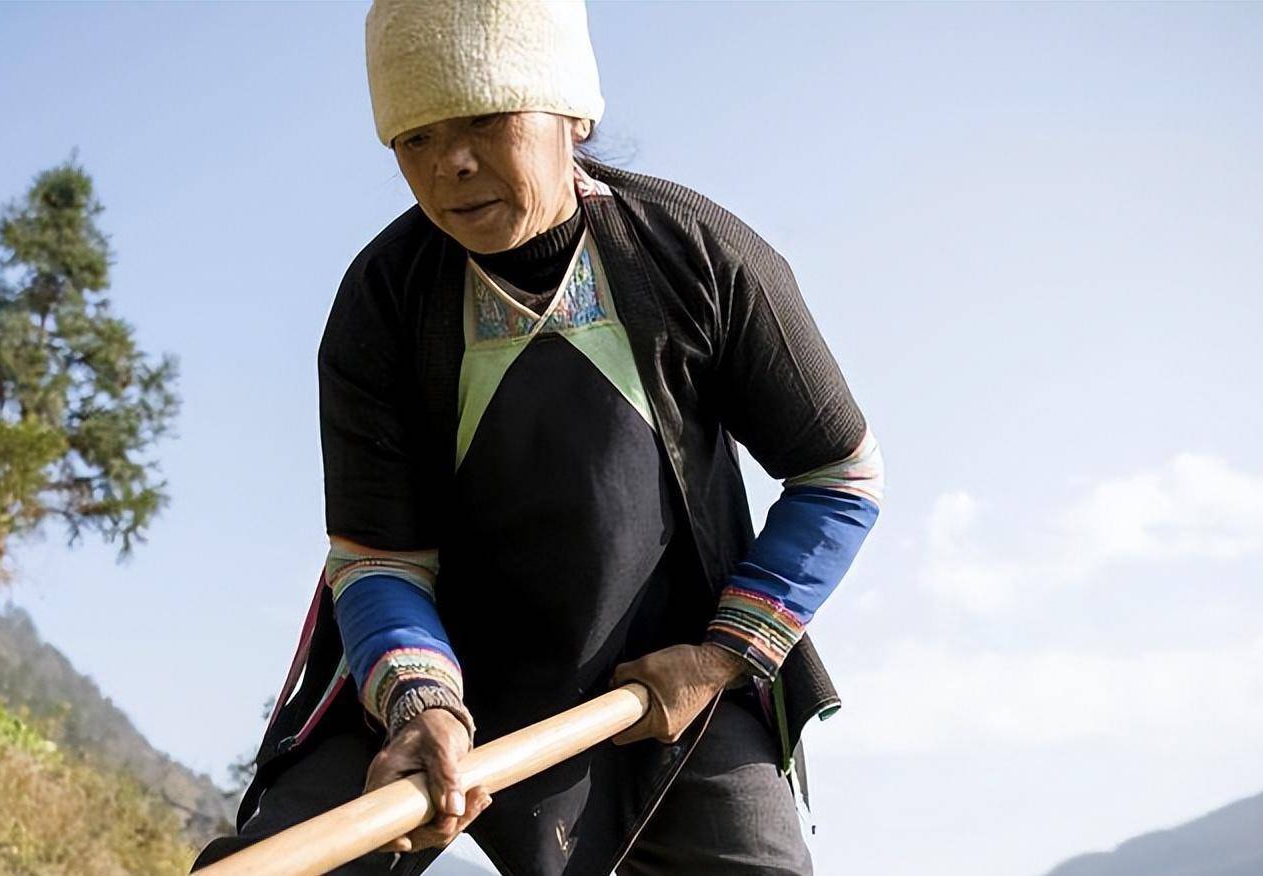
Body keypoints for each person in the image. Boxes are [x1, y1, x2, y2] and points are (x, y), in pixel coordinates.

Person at [192, 1, 885, 874]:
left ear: (572, 113)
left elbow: (839, 476)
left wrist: (719, 658)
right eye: (416, 138)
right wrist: (421, 708)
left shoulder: (697, 253)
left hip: (667, 673)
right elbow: (377, 561)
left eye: (486, 119)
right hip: (430, 668)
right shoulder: (383, 300)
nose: (450, 162)